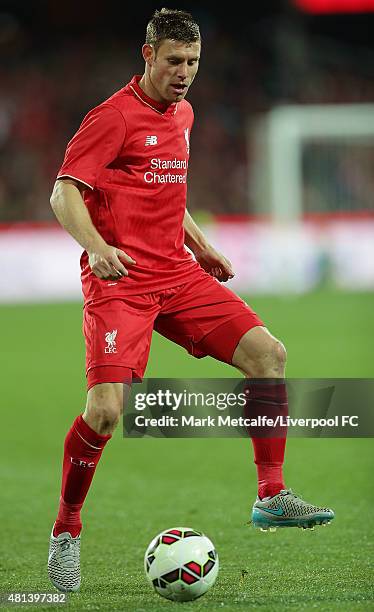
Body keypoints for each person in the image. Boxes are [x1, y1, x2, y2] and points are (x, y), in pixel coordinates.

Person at [47, 8, 334, 593]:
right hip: (121, 280)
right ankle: (66, 530)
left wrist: (200, 246)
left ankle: (272, 494)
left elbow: (166, 192)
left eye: (193, 63)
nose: (184, 73)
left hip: (177, 274)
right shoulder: (112, 117)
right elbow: (63, 193)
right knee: (104, 412)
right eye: (174, 61)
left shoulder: (184, 113)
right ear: (147, 54)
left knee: (267, 354)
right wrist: (99, 247)